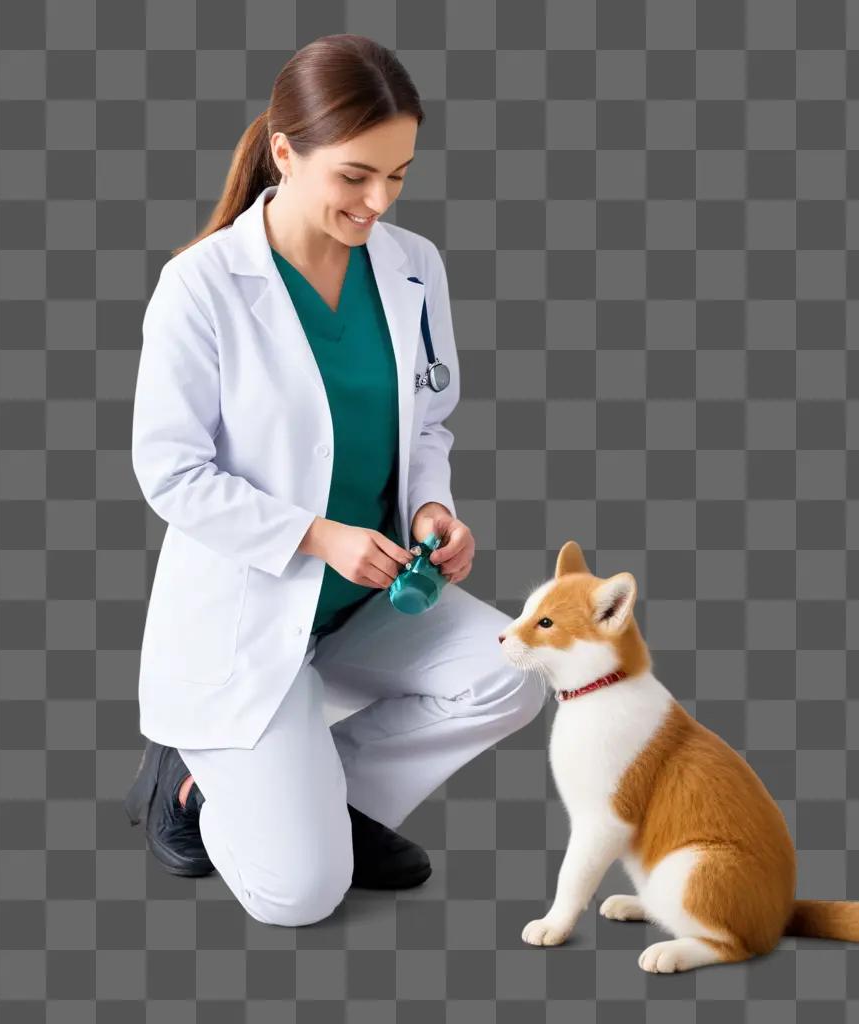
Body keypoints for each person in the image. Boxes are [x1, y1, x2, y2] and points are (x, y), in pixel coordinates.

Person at [122, 34, 548, 927]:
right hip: (251, 619)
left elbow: (428, 414)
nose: (379, 201)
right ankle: (195, 779)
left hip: (367, 597)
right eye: (356, 176)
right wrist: (317, 536)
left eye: (398, 175)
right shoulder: (201, 286)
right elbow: (170, 472)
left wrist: (434, 505)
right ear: (285, 152)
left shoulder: (412, 265)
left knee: (517, 672)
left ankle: (313, 797)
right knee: (297, 897)